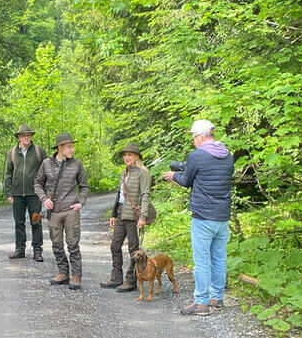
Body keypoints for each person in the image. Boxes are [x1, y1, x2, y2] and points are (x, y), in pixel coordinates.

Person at [163, 119, 234, 316]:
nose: (193, 141)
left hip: (203, 217)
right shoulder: (228, 156)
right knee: (219, 258)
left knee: (202, 261)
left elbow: (186, 181)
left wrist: (173, 176)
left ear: (201, 137)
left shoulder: (197, 156)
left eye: (194, 137)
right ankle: (216, 299)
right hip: (222, 217)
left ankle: (202, 303)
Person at [34, 132, 88, 290]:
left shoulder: (77, 164)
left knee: (73, 244)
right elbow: (37, 183)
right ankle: (63, 273)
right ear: (60, 148)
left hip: (71, 210)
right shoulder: (46, 164)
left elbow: (84, 186)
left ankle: (76, 276)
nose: (72, 149)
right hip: (54, 212)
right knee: (56, 244)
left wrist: (81, 202)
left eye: (72, 146)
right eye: (69, 147)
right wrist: (44, 199)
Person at [100, 142, 151, 293]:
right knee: (115, 246)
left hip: (134, 216)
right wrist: (114, 214)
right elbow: (120, 195)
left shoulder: (143, 173)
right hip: (122, 213)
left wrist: (143, 217)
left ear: (137, 157)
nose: (127, 157)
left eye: (130, 154)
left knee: (133, 250)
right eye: (125, 155)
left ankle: (131, 280)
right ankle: (116, 277)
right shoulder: (124, 172)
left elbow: (145, 195)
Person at [4, 123, 45, 261]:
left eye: (28, 135)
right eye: (23, 135)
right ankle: (20, 249)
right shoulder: (12, 152)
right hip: (17, 194)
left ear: (31, 136)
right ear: (19, 137)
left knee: (36, 222)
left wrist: (44, 193)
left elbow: (47, 172)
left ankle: (37, 250)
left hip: (35, 194)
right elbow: (8, 173)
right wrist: (9, 193)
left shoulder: (39, 151)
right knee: (19, 222)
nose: (26, 137)